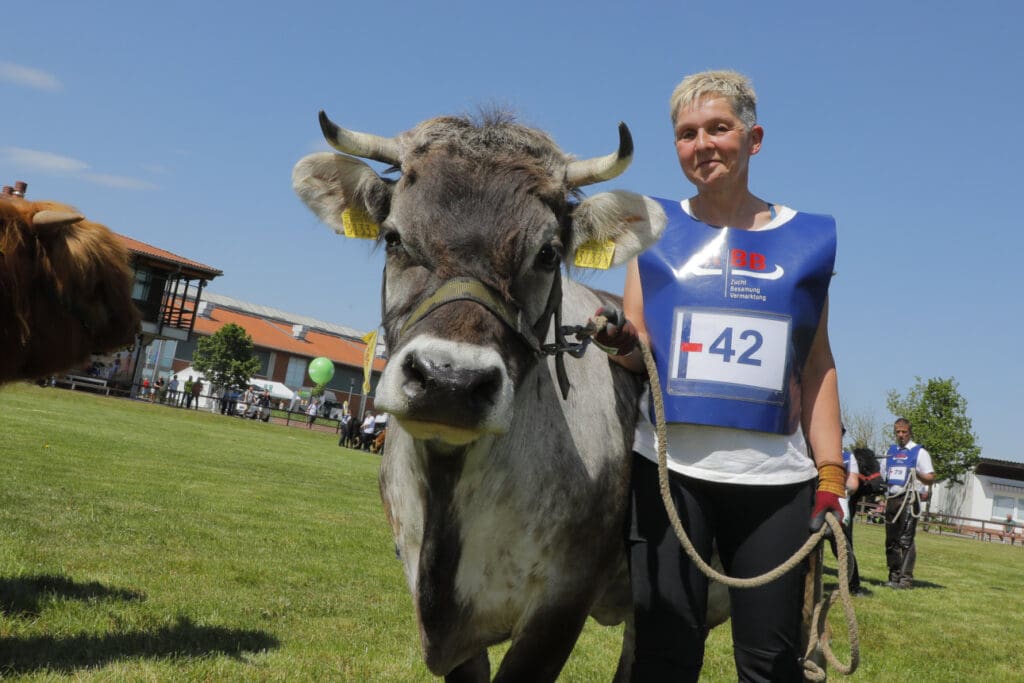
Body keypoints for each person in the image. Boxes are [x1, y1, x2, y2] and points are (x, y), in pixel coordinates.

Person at [592, 70, 844, 681]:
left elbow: (817, 364)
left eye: (718, 128)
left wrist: (832, 476)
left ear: (753, 139)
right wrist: (619, 340)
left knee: (770, 665)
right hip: (669, 475)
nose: (702, 144)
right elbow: (641, 350)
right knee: (662, 660)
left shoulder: (809, 239)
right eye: (686, 134)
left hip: (775, 485)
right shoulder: (647, 229)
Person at [881, 418, 935, 589]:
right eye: (898, 432)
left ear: (909, 432)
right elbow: (883, 475)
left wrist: (916, 474)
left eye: (904, 432)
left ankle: (905, 579)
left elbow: (930, 477)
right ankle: (893, 575)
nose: (901, 435)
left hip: (910, 499)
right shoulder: (890, 452)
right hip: (892, 499)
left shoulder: (919, 452)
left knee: (905, 539)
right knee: (891, 540)